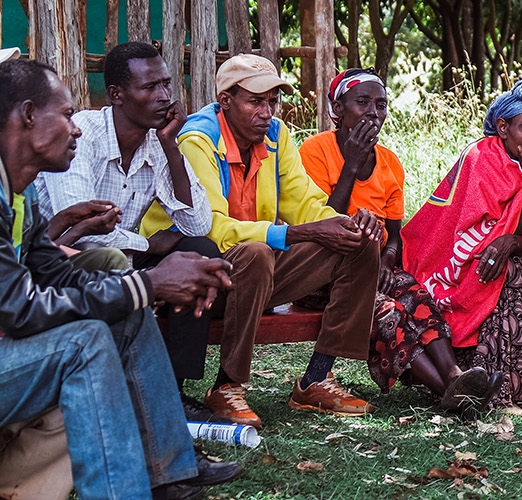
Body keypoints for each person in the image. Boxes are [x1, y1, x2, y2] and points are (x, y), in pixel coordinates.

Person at [0, 58, 242, 500]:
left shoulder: (18, 197)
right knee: (87, 340)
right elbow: (21, 311)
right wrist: (148, 282)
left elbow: (55, 273)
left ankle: (167, 470)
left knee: (119, 292)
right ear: (30, 115)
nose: (75, 128)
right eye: (67, 114)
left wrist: (139, 289)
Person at [176, 54, 382, 429]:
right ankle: (226, 387)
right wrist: (299, 233)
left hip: (258, 275)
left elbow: (303, 202)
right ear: (226, 101)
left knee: (360, 242)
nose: (266, 111)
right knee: (254, 253)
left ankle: (317, 377)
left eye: (272, 101)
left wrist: (345, 223)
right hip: (203, 282)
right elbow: (210, 230)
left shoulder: (276, 135)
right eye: (255, 101)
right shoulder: (198, 140)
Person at [32, 42, 226, 423]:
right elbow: (81, 227)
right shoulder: (81, 135)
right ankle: (123, 389)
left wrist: (172, 148)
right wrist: (148, 243)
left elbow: (197, 223)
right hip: (61, 257)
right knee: (115, 258)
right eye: (150, 87)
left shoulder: (157, 142)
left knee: (200, 248)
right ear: (118, 95)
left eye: (167, 84)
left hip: (123, 256)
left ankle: (174, 388)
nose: (165, 96)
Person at [299, 68, 498, 412]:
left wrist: (388, 260)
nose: (373, 112)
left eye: (380, 104)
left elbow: (393, 237)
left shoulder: (390, 163)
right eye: (362, 102)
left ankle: (453, 374)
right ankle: (450, 393)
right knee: (387, 310)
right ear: (337, 110)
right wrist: (352, 164)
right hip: (321, 273)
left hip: (373, 267)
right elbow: (320, 226)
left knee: (416, 293)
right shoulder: (315, 152)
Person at [402, 78, 522, 415]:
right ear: (503, 128)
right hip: (459, 262)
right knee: (501, 271)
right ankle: (499, 389)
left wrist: (513, 241)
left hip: (521, 250)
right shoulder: (480, 158)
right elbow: (473, 236)